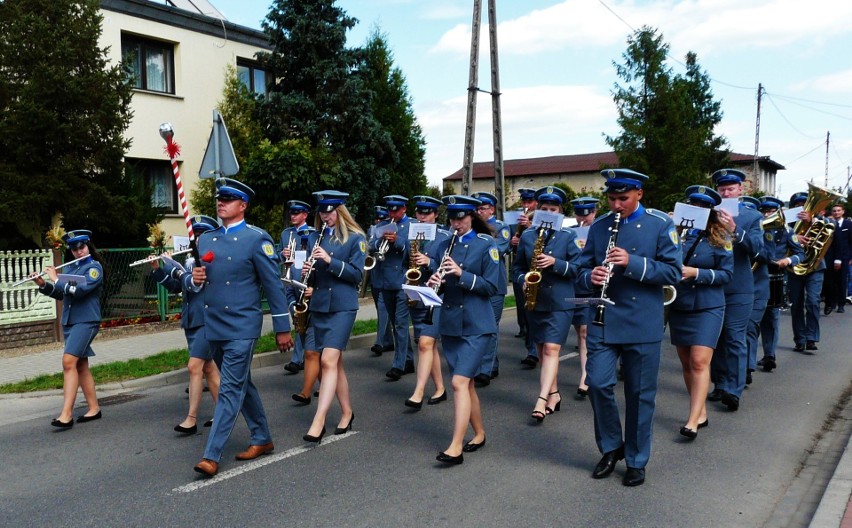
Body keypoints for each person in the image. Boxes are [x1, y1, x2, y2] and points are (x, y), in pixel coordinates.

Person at [576, 169, 681, 487]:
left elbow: (673, 272)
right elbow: (581, 268)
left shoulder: (660, 224)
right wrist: (589, 277)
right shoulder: (599, 226)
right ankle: (611, 447)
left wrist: (631, 262)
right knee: (596, 383)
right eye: (611, 198)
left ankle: (636, 459)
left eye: (623, 198)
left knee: (639, 394)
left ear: (639, 194)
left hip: (642, 320)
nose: (616, 205)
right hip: (603, 318)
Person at [191, 178, 294, 477]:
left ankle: (211, 455)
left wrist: (282, 327)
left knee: (230, 388)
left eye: (228, 199)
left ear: (242, 205)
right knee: (242, 384)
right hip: (215, 326)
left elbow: (273, 286)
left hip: (242, 325)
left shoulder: (256, 239)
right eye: (219, 199)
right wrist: (195, 278)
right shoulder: (206, 240)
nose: (220, 203)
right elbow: (197, 281)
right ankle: (262, 438)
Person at [427, 195, 500, 465]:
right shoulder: (444, 245)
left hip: (477, 324)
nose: (456, 222)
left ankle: (455, 446)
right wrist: (436, 282)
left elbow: (491, 287)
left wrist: (461, 274)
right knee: (466, 384)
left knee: (457, 382)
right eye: (453, 217)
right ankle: (479, 433)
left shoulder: (486, 245)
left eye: (461, 217)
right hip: (451, 324)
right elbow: (441, 283)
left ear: (471, 217)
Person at [667, 186, 733, 440]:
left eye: (703, 208)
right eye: (693, 206)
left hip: (708, 305)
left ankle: (692, 420)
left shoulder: (722, 238)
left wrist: (697, 273)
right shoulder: (675, 235)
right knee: (686, 363)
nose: (698, 211)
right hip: (680, 304)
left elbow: (727, 275)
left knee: (698, 361)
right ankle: (701, 411)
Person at [301, 190, 366, 443]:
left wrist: (329, 260)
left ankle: (318, 421)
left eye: (329, 211)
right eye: (322, 212)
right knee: (334, 363)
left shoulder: (356, 238)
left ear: (340, 211)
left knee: (328, 360)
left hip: (342, 306)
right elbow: (317, 277)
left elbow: (356, 275)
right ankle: (347, 412)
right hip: (320, 305)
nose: (325, 216)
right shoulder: (317, 237)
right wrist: (309, 271)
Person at [511, 186, 581, 422]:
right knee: (542, 350)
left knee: (552, 349)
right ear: (538, 210)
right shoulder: (529, 236)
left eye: (553, 209)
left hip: (560, 301)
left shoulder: (569, 236)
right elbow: (518, 268)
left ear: (560, 211)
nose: (549, 213)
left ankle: (541, 399)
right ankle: (553, 393)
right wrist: (522, 280)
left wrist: (555, 262)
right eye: (544, 209)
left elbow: (579, 269)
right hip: (535, 299)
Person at [150, 215, 221, 434]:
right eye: (195, 236)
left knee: (194, 366)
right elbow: (177, 287)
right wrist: (158, 269)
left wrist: (174, 267)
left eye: (201, 236)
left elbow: (194, 283)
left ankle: (191, 419)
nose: (197, 240)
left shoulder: (212, 260)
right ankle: (223, 411)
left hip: (207, 321)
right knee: (209, 368)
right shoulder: (191, 261)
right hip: (192, 320)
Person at [32, 230, 104, 428]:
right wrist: (43, 284)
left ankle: (66, 414)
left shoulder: (93, 268)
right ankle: (94, 408)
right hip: (71, 321)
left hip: (86, 321)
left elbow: (79, 291)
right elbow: (63, 294)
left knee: (68, 362)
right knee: (80, 365)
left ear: (88, 246)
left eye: (81, 247)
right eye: (74, 249)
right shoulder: (72, 267)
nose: (78, 252)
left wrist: (57, 279)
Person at [708, 169, 763, 412]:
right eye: (722, 189)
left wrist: (735, 230)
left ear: (741, 189)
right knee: (715, 337)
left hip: (740, 286)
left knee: (734, 337)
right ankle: (719, 383)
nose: (726, 192)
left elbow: (759, 250)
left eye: (731, 188)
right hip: (714, 283)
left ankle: (733, 389)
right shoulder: (709, 213)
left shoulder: (752, 217)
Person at [404, 195, 448, 409]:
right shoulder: (412, 234)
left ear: (435, 214)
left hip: (436, 293)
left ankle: (419, 392)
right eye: (419, 212)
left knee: (425, 342)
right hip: (416, 291)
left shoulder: (445, 236)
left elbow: (450, 265)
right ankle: (440, 388)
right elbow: (405, 261)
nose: (422, 217)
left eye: (427, 213)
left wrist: (429, 261)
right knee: (427, 345)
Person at [370, 195, 414, 380]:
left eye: (396, 210)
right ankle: (409, 360)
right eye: (390, 210)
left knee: (401, 323)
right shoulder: (382, 226)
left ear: (404, 209)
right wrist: (380, 242)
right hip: (386, 281)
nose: (392, 213)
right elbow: (371, 245)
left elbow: (416, 250)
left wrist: (398, 242)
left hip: (403, 280)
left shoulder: (412, 225)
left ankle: (399, 364)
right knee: (397, 324)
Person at [757, 197, 804, 372]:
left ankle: (769, 354)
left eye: (771, 211)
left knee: (771, 317)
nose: (767, 214)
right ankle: (746, 362)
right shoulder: (755, 228)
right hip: (756, 274)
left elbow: (800, 253)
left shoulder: (786, 230)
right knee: (753, 317)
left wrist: (788, 260)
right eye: (765, 211)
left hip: (776, 274)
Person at [470, 191, 511, 387]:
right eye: (476, 209)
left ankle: (485, 370)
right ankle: (490, 364)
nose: (479, 212)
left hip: (495, 283)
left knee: (491, 327)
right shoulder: (472, 228)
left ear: (492, 209)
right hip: (477, 282)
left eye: (483, 208)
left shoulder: (501, 227)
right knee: (479, 325)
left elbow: (498, 249)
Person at [787, 192, 825, 353]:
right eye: (797, 205)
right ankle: (800, 339)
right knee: (796, 305)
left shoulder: (820, 222)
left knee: (813, 301)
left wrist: (810, 222)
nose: (801, 207)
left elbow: (829, 235)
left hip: (815, 267)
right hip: (794, 267)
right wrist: (795, 237)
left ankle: (811, 337)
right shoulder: (787, 224)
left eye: (804, 204)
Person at [569, 196, 599, 397]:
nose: (583, 218)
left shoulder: (601, 230)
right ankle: (587, 371)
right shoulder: (570, 232)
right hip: (575, 286)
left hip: (594, 286)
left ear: (594, 212)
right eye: (579, 214)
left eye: (586, 214)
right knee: (581, 330)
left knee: (586, 332)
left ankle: (586, 376)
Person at [281, 200, 314, 374]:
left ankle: (298, 358)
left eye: (296, 213)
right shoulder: (286, 233)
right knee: (296, 318)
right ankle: (300, 357)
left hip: (304, 281)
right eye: (291, 213)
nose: (292, 216)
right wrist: (283, 254)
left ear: (305, 215)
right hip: (290, 281)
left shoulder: (312, 233)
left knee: (303, 320)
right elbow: (280, 254)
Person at [739, 195, 769, 386]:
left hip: (757, 286)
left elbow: (767, 254)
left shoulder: (767, 231)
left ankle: (747, 368)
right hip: (737, 284)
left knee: (750, 327)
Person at [510, 188, 538, 366]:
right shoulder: (515, 220)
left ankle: (535, 351)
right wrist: (513, 243)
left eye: (530, 202)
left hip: (540, 270)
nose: (526, 206)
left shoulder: (540, 220)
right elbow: (514, 249)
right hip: (523, 270)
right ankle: (531, 347)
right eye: (524, 202)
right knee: (524, 310)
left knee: (535, 313)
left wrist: (529, 229)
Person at [368, 206, 394, 357]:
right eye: (377, 218)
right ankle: (389, 341)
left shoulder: (393, 230)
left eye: (382, 218)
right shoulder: (374, 231)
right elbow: (369, 247)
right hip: (376, 275)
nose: (379, 221)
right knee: (381, 309)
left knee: (384, 308)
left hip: (389, 277)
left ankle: (379, 342)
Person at [822, 203, 852, 315]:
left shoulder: (849, 224)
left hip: (844, 257)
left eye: (838, 210)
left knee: (842, 280)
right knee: (830, 281)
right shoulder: (827, 224)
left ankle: (841, 304)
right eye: (834, 211)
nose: (836, 212)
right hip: (829, 257)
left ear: (843, 212)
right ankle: (831, 302)